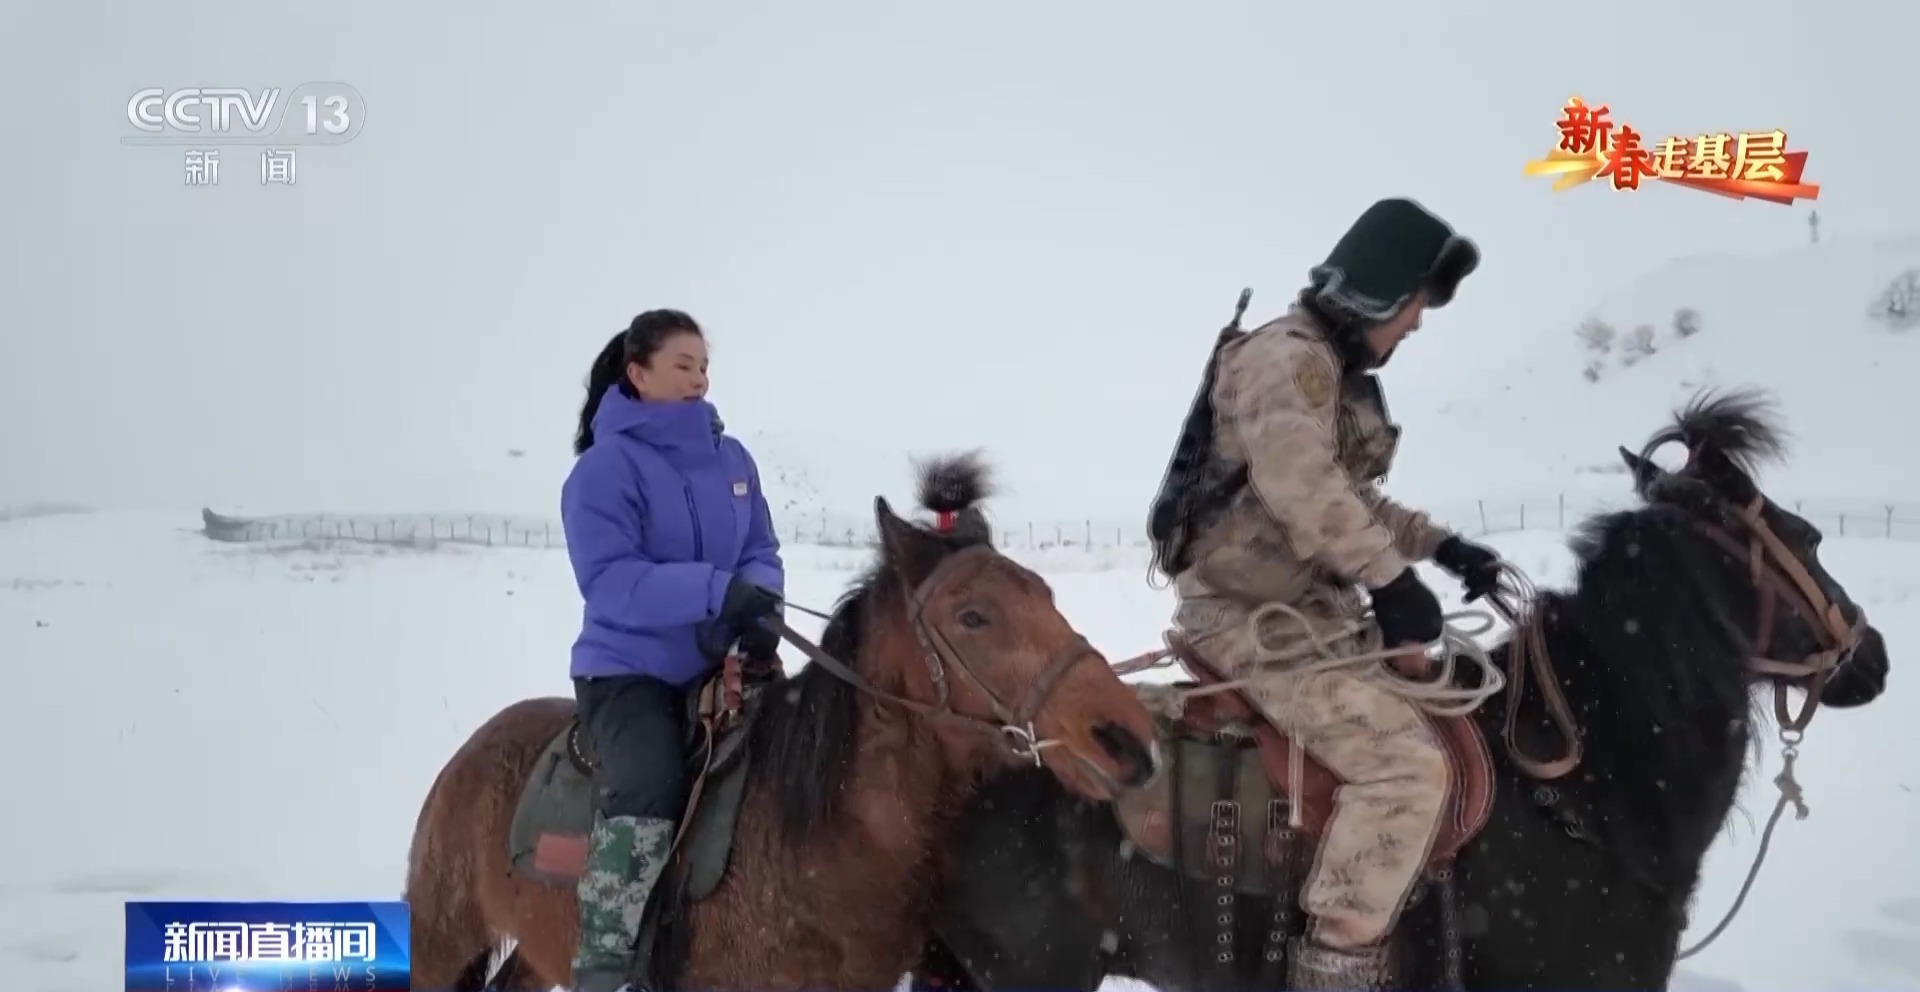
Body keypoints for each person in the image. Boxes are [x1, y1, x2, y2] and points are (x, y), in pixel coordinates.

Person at [1144, 197, 1505, 990]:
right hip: (1248, 622)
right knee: (1405, 772)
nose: (1414, 327)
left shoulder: (1327, 373)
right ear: (1381, 294)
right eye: (1414, 308)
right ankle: (1335, 966)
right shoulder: (1286, 359)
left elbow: (1350, 497)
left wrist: (1440, 546)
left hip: (1309, 618)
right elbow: (1299, 482)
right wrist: (1390, 579)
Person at [559, 308, 786, 992]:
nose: (699, 378)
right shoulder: (603, 470)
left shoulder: (732, 459)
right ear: (638, 373)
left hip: (722, 664)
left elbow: (760, 548)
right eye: (683, 365)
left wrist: (761, 607)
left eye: (704, 366)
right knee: (651, 782)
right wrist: (718, 592)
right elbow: (612, 581)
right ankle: (605, 962)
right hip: (631, 672)